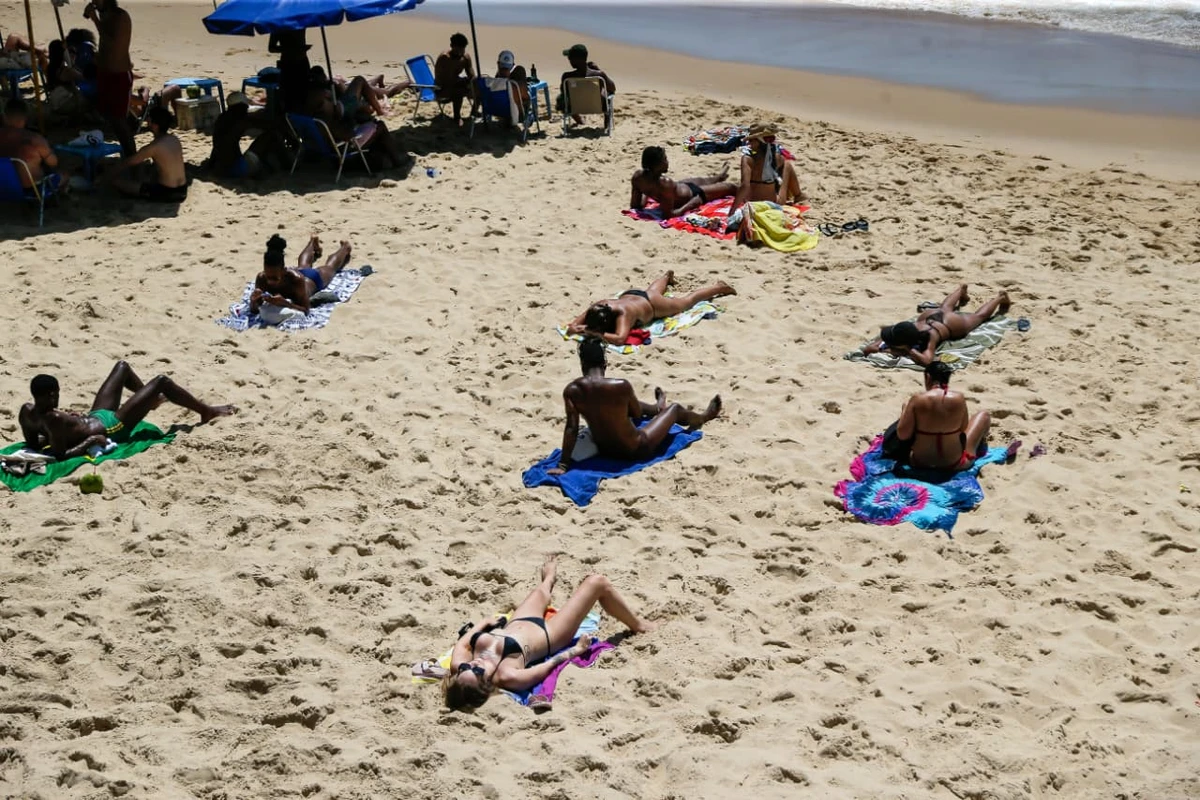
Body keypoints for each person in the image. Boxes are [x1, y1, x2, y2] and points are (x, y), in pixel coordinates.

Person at [443, 554, 656, 711]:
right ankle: (639, 625)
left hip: (517, 621)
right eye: (476, 671)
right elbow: (547, 666)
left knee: (542, 590)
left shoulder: (458, 664)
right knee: (597, 582)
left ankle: (549, 578)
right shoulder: (507, 674)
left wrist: (484, 623)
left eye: (465, 668)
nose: (473, 664)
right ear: (486, 683)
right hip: (549, 634)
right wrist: (575, 650)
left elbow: (463, 643)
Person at [547, 337, 722, 474]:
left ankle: (657, 407)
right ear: (605, 363)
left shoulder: (572, 391)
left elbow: (571, 428)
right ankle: (703, 417)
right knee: (674, 409)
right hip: (636, 450)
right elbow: (637, 413)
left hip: (605, 451)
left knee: (620, 405)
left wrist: (563, 465)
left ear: (582, 364)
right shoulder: (620, 386)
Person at [18, 362, 235, 459]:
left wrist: (69, 423)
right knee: (162, 381)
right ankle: (206, 411)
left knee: (122, 367)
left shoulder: (26, 412)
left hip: (95, 416)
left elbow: (34, 443)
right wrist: (89, 441)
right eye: (56, 394)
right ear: (51, 395)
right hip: (113, 427)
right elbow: (59, 456)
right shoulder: (54, 418)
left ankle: (148, 401)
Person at [566, 270, 736, 346]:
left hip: (652, 305)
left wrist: (594, 332)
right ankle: (665, 277)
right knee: (652, 291)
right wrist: (578, 328)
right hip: (633, 296)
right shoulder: (598, 306)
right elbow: (572, 327)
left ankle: (719, 287)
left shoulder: (623, 314)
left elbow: (620, 338)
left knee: (687, 302)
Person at [862, 284, 1012, 366]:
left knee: (978, 317)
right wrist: (887, 348)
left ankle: (1000, 297)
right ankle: (960, 290)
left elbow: (927, 360)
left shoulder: (929, 338)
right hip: (928, 316)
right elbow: (868, 349)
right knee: (944, 308)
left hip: (947, 325)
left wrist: (908, 350)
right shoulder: (901, 332)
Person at [890, 362, 994, 471]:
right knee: (984, 415)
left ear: (928, 377)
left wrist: (905, 409)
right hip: (955, 464)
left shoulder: (917, 399)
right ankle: (981, 444)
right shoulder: (958, 398)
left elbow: (903, 435)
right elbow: (963, 428)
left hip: (919, 463)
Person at [305, 67, 404, 170]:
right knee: (380, 125)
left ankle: (382, 155)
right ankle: (398, 160)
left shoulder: (306, 112)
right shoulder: (324, 117)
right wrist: (353, 126)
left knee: (363, 118)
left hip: (320, 148)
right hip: (341, 149)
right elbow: (347, 136)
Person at [249, 233, 352, 316]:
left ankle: (345, 247)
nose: (270, 281)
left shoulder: (296, 280)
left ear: (284, 270)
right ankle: (312, 242)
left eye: (274, 278)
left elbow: (306, 310)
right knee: (303, 265)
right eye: (268, 277)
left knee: (330, 267)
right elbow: (254, 310)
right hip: (299, 271)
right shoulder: (261, 278)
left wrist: (285, 303)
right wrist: (253, 301)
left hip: (312, 279)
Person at [84, 0, 135, 157]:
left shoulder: (120, 16)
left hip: (119, 75)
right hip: (106, 74)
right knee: (110, 117)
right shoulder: (106, 16)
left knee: (119, 120)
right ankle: (127, 153)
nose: (94, 1)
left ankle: (132, 157)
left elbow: (112, 42)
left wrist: (95, 20)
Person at [630, 145, 736, 218]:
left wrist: (646, 191)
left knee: (705, 180)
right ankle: (723, 179)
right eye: (664, 159)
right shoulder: (665, 184)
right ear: (656, 165)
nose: (667, 162)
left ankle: (719, 176)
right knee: (730, 187)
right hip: (693, 194)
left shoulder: (638, 178)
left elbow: (636, 205)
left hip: (681, 186)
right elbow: (669, 215)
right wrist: (691, 204)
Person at [109, 106, 187, 202]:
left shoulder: (153, 147)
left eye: (149, 120)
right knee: (149, 168)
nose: (147, 122)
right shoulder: (175, 139)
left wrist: (108, 174)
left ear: (155, 125)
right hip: (183, 190)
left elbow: (128, 162)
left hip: (167, 192)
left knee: (116, 183)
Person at [208, 91, 292, 178]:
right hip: (237, 169)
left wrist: (210, 164)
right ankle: (288, 165)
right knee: (270, 136)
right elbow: (267, 126)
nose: (247, 107)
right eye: (245, 106)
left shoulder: (222, 118)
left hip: (222, 167)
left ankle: (273, 164)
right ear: (240, 106)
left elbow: (218, 144)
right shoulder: (241, 120)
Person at [732, 121, 805, 208]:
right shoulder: (777, 157)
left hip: (751, 203)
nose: (749, 143)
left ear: (758, 141)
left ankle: (798, 195)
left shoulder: (747, 159)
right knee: (787, 165)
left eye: (751, 140)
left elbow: (745, 185)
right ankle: (798, 195)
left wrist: (733, 209)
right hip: (772, 204)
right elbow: (779, 167)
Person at [0, 98, 67, 190]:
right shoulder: (34, 139)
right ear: (25, 118)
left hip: (3, 188)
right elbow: (53, 163)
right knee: (64, 174)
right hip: (32, 190)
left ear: (4, 117)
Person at [558, 43, 614, 126]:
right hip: (598, 107)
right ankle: (607, 126)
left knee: (562, 99)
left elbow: (563, 93)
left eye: (570, 58)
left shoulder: (567, 77)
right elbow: (612, 88)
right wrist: (598, 70)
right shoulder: (599, 75)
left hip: (574, 107)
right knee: (606, 93)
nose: (569, 60)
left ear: (576, 59)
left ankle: (579, 121)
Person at [434, 32, 475, 126]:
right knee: (459, 90)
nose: (461, 52)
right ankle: (457, 117)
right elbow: (447, 81)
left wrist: (472, 81)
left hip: (456, 84)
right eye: (458, 49)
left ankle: (474, 112)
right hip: (441, 90)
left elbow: (471, 75)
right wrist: (463, 82)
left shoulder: (465, 57)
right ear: (452, 46)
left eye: (463, 48)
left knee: (479, 85)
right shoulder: (445, 58)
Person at [269, 29, 310, 115]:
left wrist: (301, 48)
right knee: (289, 94)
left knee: (303, 92)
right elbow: (271, 48)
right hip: (288, 63)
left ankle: (300, 114)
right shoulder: (278, 27)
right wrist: (291, 49)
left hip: (302, 61)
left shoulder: (301, 24)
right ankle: (289, 116)